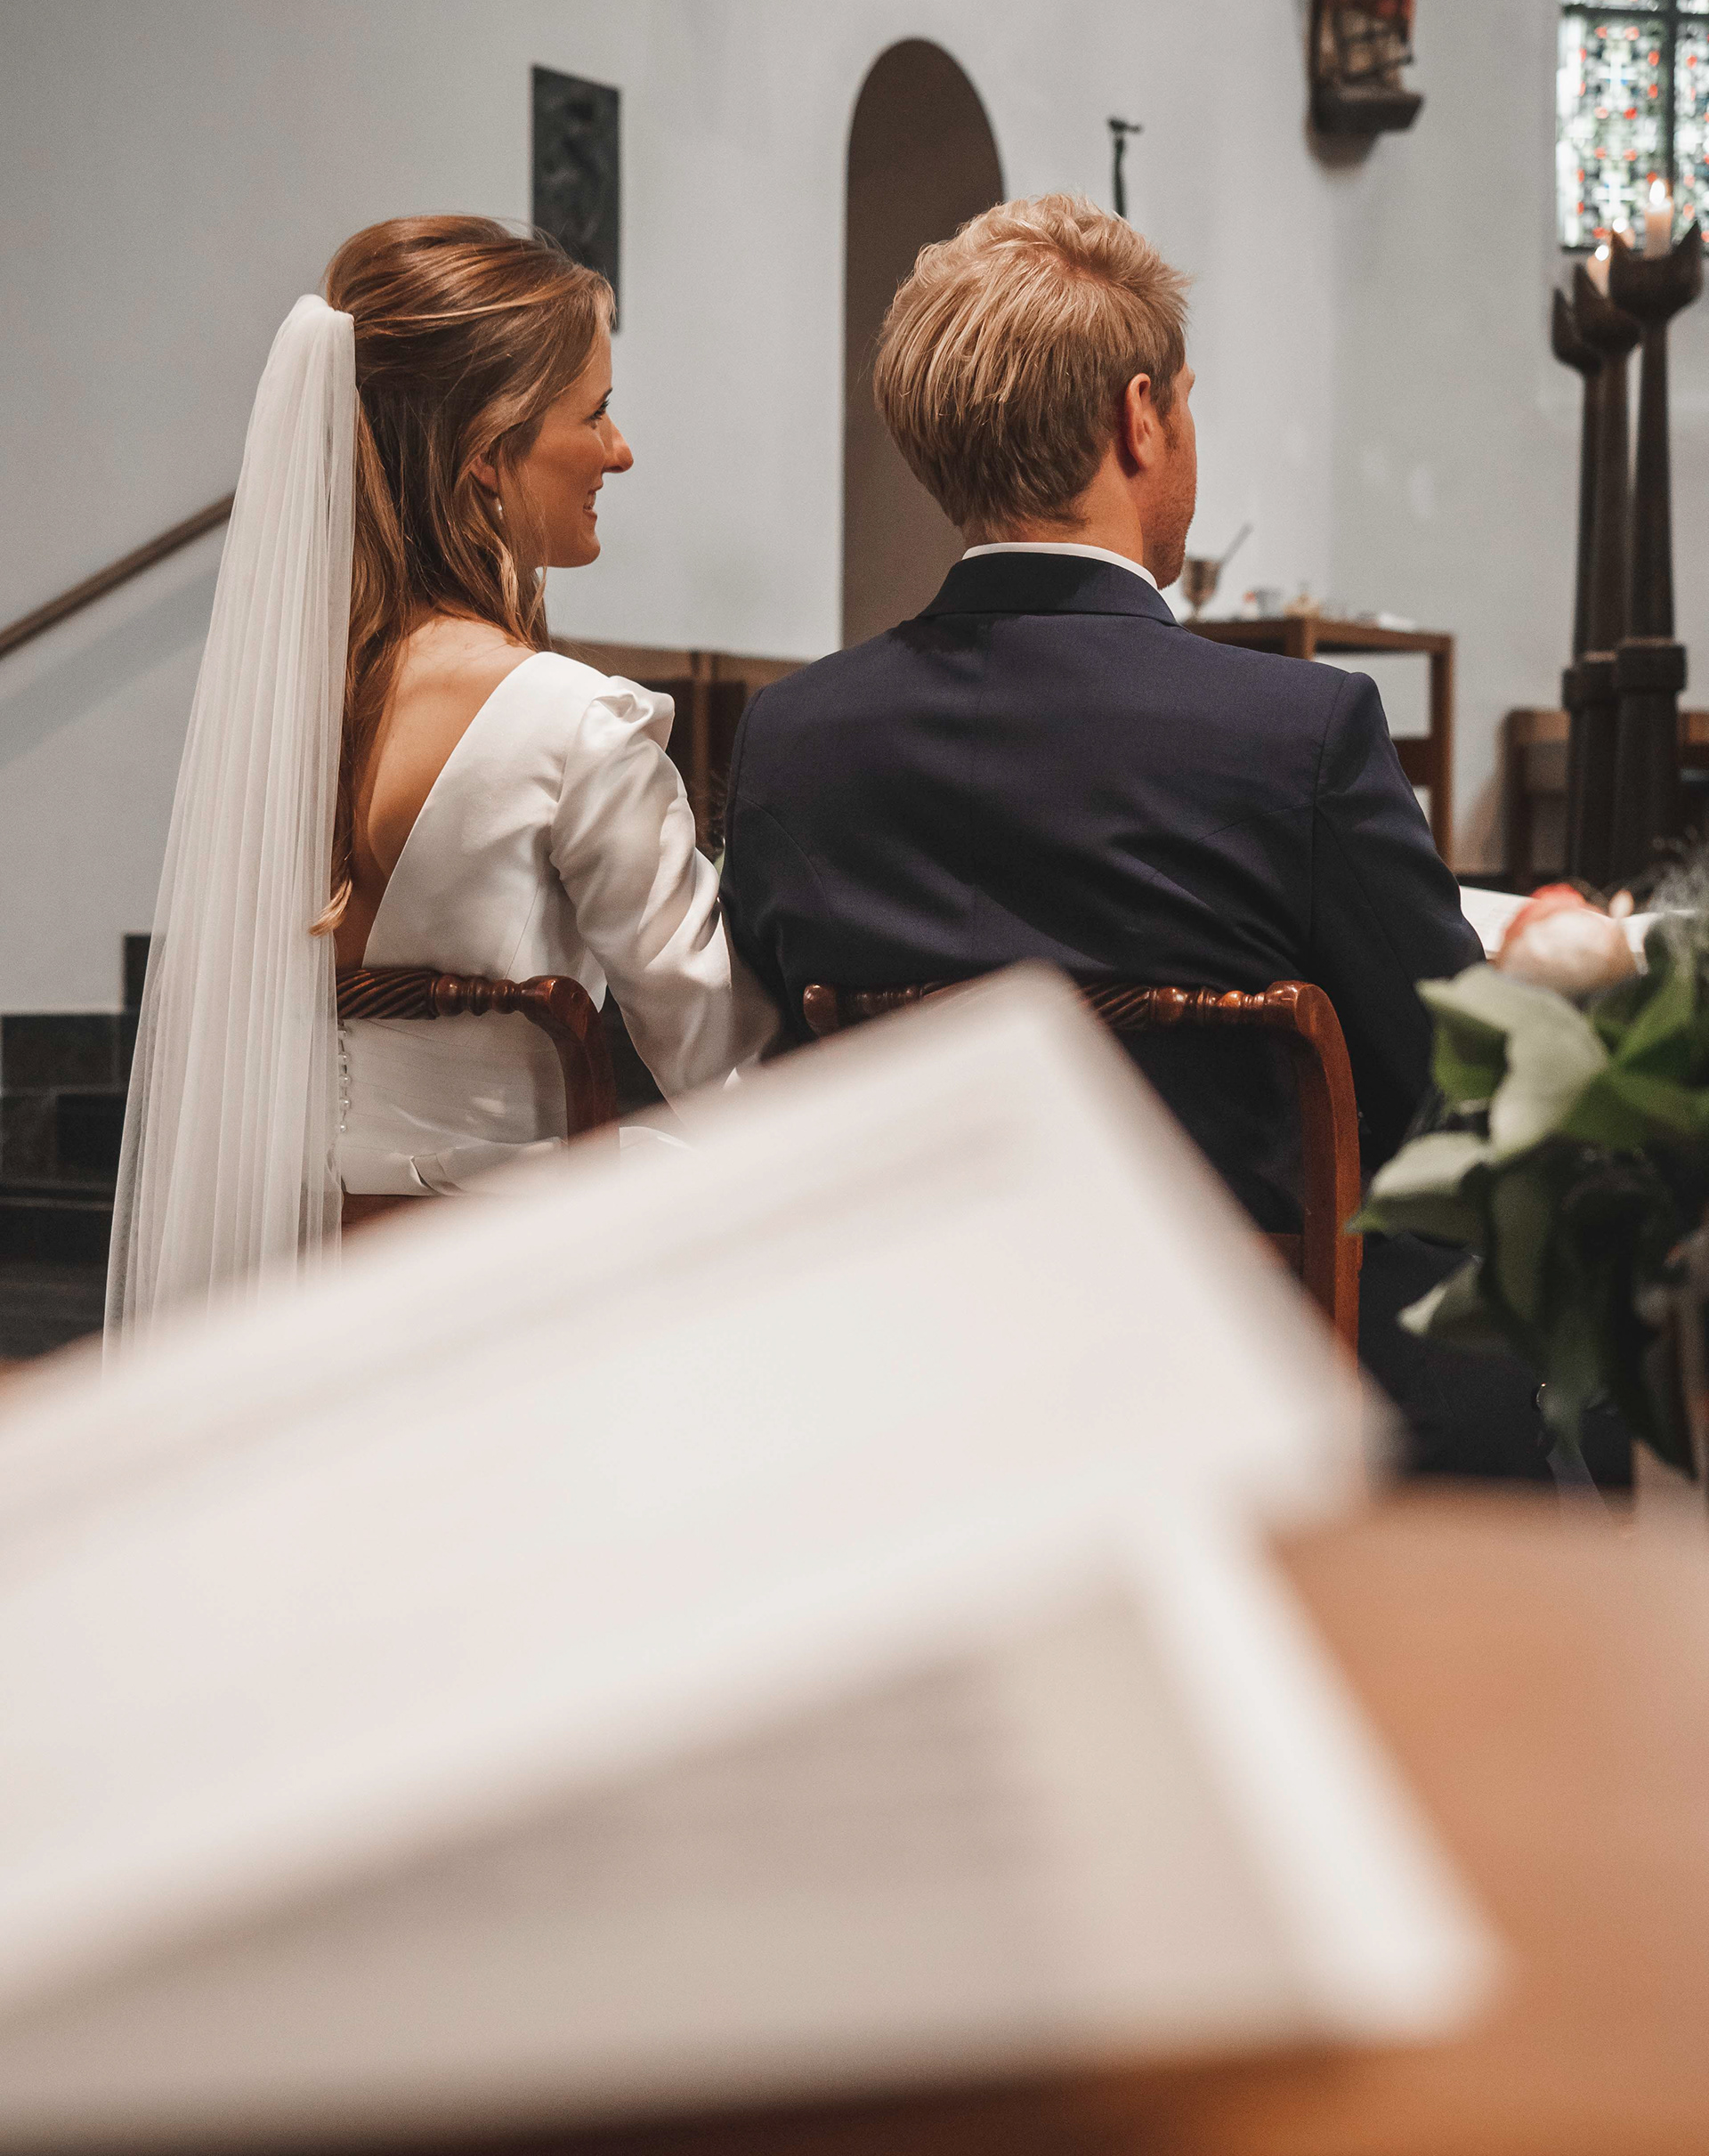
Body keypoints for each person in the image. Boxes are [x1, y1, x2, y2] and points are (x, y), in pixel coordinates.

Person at [718, 193, 1593, 1482]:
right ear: (1142, 418)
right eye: (1186, 403)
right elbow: (1446, 1082)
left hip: (918, 1384)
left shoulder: (796, 739)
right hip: (1250, 1384)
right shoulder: (1300, 730)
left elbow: (775, 1052)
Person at [109, 216, 773, 1341]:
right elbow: (726, 1060)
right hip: (506, 1293)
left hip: (300, 1255)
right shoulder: (574, 728)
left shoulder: (289, 722)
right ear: (486, 454)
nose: (619, 452)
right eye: (595, 413)